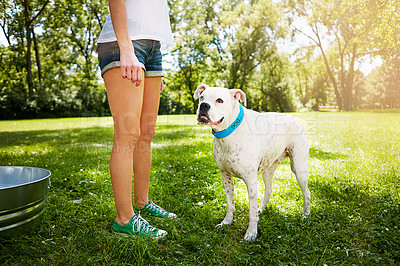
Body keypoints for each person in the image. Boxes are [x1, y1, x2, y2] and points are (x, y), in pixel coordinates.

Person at [96, 0, 176, 239]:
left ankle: (142, 202)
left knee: (146, 133)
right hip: (124, 43)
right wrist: (126, 48)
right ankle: (124, 218)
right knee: (127, 134)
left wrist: (152, 67)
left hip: (153, 49)